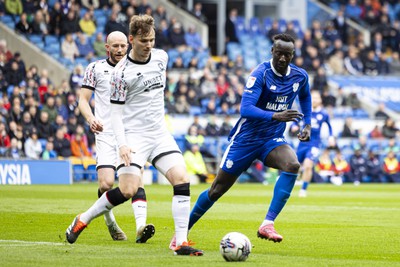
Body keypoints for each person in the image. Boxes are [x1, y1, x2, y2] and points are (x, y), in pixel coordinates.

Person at [66, 15, 203, 256]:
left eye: (151, 39)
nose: (149, 44)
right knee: (128, 190)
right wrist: (122, 145)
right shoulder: (120, 73)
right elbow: (116, 114)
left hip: (159, 133)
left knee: (182, 180)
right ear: (132, 40)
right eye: (143, 40)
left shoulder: (162, 57)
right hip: (133, 136)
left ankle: (180, 242)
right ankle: (83, 218)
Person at [185, 33, 311, 243]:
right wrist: (275, 115)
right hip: (246, 140)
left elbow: (305, 96)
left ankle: (267, 224)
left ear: (292, 55)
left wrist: (307, 123)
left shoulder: (300, 76)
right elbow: (246, 109)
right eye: (279, 53)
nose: (282, 59)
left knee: (292, 164)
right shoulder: (260, 74)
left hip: (271, 140)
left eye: (287, 55)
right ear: (272, 51)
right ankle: (182, 231)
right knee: (217, 190)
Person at [69, 31, 154, 243]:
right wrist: (90, 119)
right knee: (106, 184)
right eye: (115, 46)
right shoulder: (95, 68)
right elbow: (82, 100)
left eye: (123, 46)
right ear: (107, 47)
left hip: (130, 133)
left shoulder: (136, 68)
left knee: (137, 177)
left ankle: (140, 226)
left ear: (129, 45)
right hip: (106, 133)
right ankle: (111, 223)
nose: (119, 50)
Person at [296, 91, 333, 197]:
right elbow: (295, 120)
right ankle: (296, 178)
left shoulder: (324, 114)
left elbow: (329, 126)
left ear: (320, 100)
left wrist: (331, 137)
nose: (315, 100)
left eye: (317, 98)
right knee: (295, 166)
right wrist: (294, 126)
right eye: (313, 98)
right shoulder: (304, 111)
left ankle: (303, 189)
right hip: (302, 143)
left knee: (308, 165)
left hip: (314, 144)